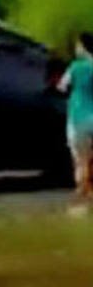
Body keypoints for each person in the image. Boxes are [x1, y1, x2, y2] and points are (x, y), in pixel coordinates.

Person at [58, 33, 93, 207]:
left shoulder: (75, 67)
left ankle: (82, 200)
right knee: (91, 161)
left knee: (80, 161)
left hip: (77, 120)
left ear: (83, 47)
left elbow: (62, 86)